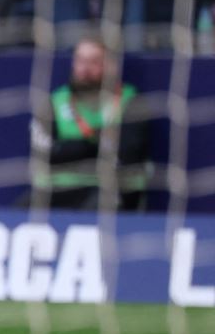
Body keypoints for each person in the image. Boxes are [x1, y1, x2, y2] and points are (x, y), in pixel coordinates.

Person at [30, 37, 150, 210]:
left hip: (107, 189)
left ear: (111, 66)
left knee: (97, 207)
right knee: (17, 212)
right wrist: (92, 143)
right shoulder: (55, 101)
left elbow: (129, 153)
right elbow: (44, 154)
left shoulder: (130, 101)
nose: (84, 69)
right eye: (80, 61)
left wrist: (72, 149)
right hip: (57, 189)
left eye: (94, 62)